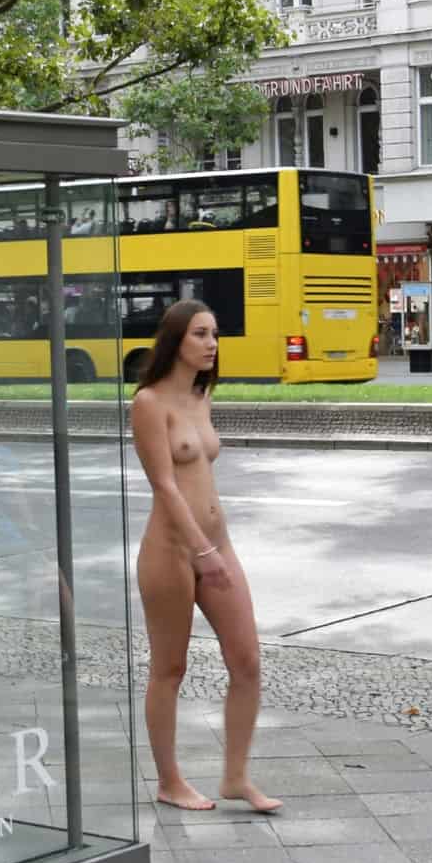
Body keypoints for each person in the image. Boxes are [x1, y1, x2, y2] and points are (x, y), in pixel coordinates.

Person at [131, 299, 279, 814]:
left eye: (214, 333)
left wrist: (215, 551)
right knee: (169, 668)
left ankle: (236, 778)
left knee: (247, 660)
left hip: (219, 545)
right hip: (171, 552)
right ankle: (169, 781)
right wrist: (202, 551)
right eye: (200, 333)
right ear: (175, 340)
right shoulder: (149, 403)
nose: (212, 343)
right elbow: (165, 485)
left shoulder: (202, 395)